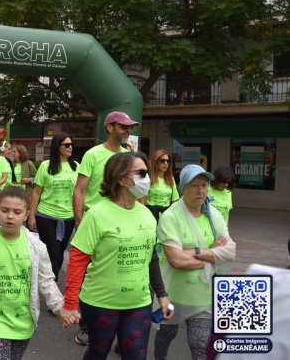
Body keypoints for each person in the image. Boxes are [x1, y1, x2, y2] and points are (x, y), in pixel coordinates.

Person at [63, 152, 173, 359]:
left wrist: (162, 295)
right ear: (121, 178)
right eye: (141, 173)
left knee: (136, 354)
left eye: (147, 173)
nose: (147, 178)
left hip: (139, 303)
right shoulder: (96, 215)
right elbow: (77, 262)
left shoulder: (147, 215)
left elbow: (151, 258)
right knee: (98, 352)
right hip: (100, 303)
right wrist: (69, 305)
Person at [0, 186, 77, 360]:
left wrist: (60, 308)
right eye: (5, 210)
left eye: (17, 212)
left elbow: (45, 279)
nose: (10, 216)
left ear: (26, 214)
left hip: (23, 322)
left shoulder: (36, 246)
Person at [154, 164, 236, 360]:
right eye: (194, 186)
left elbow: (230, 252)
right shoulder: (171, 217)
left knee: (200, 345)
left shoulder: (212, 214)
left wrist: (192, 253)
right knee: (166, 335)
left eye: (204, 185)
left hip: (203, 296)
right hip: (173, 294)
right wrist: (212, 255)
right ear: (183, 187)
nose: (201, 191)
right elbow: (176, 260)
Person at [71, 110, 139, 345]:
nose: (127, 131)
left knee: (121, 271)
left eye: (129, 127)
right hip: (95, 222)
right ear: (109, 128)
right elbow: (80, 189)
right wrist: (80, 221)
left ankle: (121, 326)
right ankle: (87, 325)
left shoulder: (130, 156)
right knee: (90, 276)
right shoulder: (92, 154)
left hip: (122, 223)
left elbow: (136, 187)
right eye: (122, 126)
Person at [28, 132, 78, 281]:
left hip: (68, 218)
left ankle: (48, 281)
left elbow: (79, 194)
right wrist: (31, 215)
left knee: (60, 252)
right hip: (46, 217)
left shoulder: (77, 167)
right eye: (67, 145)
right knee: (53, 252)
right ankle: (51, 285)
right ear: (57, 146)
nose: (70, 147)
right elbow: (36, 193)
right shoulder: (46, 166)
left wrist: (79, 217)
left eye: (71, 145)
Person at [145, 150, 179, 222]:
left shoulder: (171, 179)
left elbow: (175, 200)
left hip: (166, 216)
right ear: (156, 162)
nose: (166, 163)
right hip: (150, 215)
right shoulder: (148, 177)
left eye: (168, 161)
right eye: (162, 161)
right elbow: (142, 200)